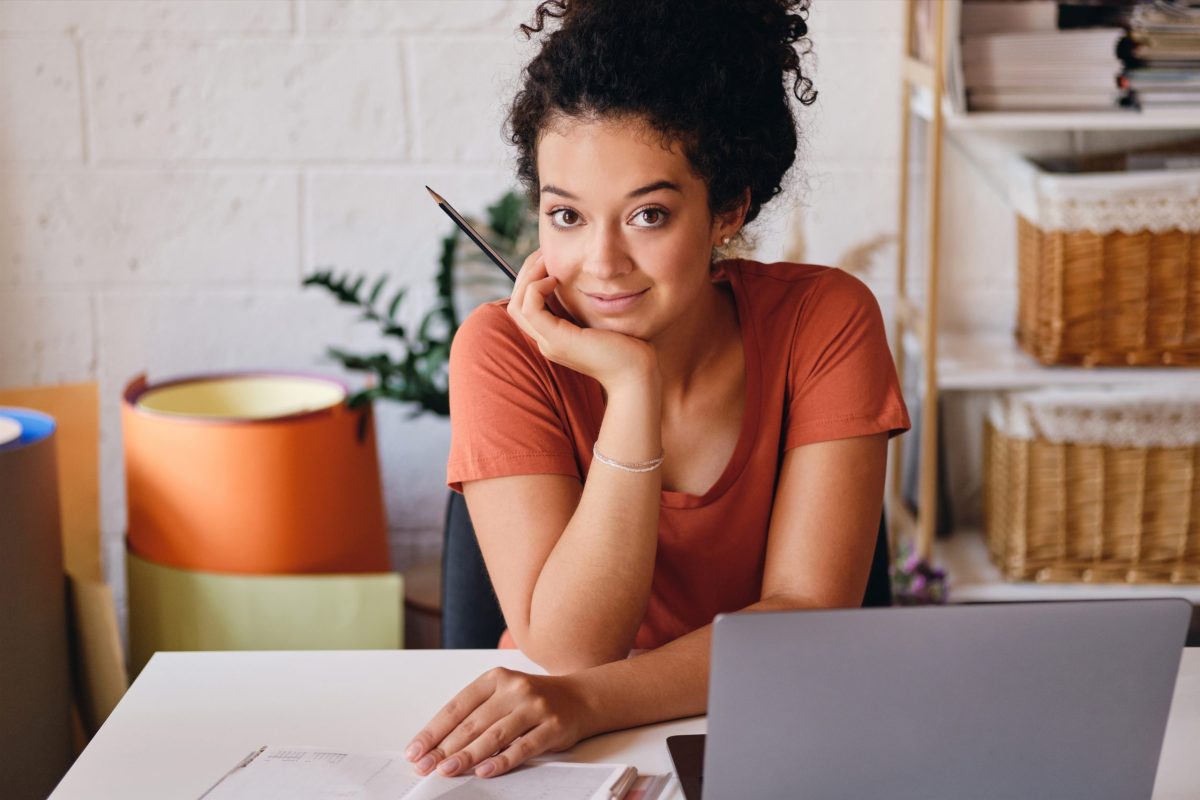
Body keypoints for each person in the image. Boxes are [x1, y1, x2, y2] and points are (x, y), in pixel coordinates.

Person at [405, 0, 910, 780]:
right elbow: (573, 648)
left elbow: (808, 616)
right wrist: (633, 393)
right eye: (565, 214)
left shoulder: (824, 321)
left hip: (760, 730)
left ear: (727, 209)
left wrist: (593, 702)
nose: (601, 263)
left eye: (647, 214)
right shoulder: (502, 350)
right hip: (552, 756)